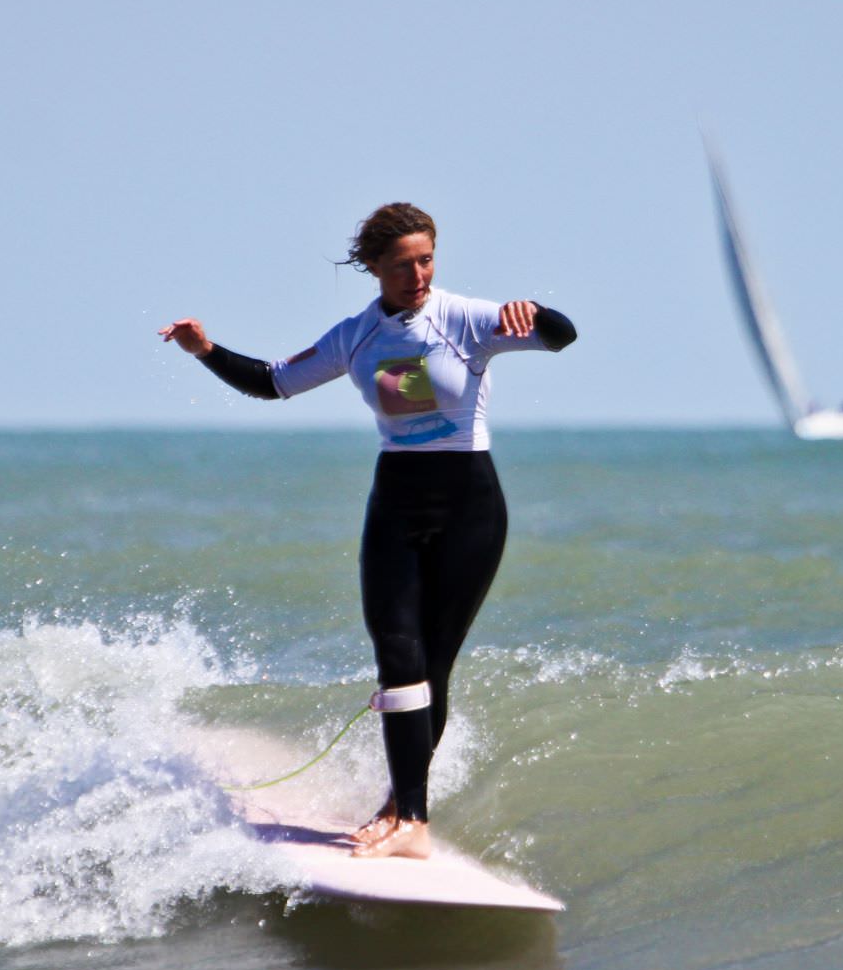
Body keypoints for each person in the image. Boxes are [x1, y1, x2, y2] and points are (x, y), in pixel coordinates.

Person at [158, 203, 578, 859]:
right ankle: (406, 813)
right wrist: (205, 350)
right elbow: (273, 383)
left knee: (433, 664)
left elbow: (562, 336)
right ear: (374, 266)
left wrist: (536, 312)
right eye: (404, 262)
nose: (419, 273)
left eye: (427, 259)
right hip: (396, 502)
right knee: (397, 655)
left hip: (470, 504)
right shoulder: (355, 336)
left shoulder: (466, 317)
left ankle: (407, 815)